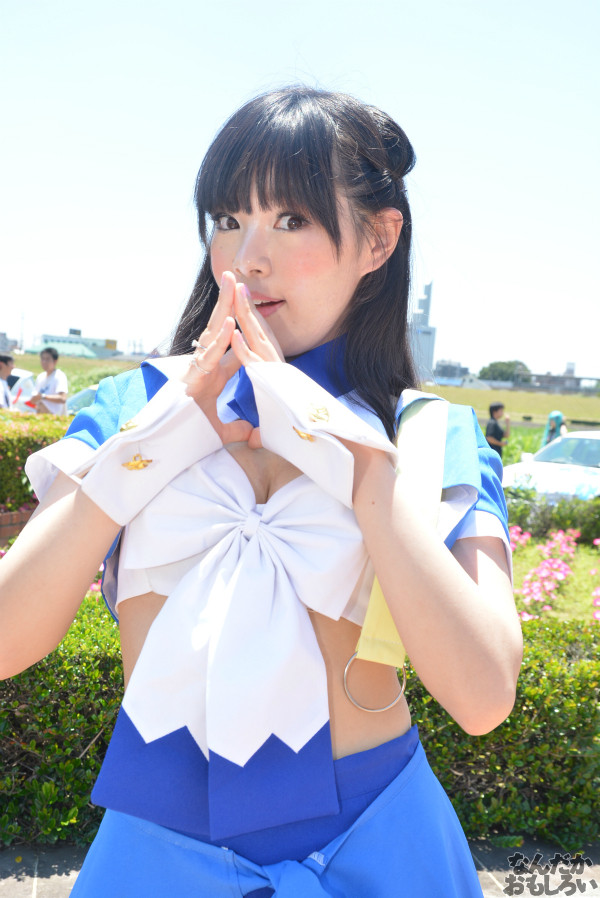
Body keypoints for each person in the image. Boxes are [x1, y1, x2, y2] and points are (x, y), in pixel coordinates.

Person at [0, 88, 522, 897]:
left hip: (380, 845)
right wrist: (155, 445)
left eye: (291, 220)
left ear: (378, 239)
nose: (247, 257)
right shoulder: (133, 408)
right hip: (158, 858)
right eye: (227, 218)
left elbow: (484, 696)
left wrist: (365, 477)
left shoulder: (423, 434)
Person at [31, 347, 68, 414]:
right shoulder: (40, 377)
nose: (44, 362)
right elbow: (33, 400)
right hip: (40, 415)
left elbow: (62, 398)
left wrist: (43, 397)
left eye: (47, 359)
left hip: (54, 417)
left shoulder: (59, 376)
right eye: (43, 359)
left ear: (55, 361)